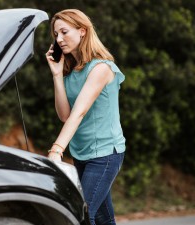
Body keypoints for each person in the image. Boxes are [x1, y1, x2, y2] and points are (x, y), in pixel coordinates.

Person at [45, 9, 126, 225]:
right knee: (101, 218)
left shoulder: (101, 68)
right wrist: (56, 75)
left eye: (64, 32)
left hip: (105, 155)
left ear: (82, 31)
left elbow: (79, 112)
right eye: (56, 34)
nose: (59, 39)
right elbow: (65, 115)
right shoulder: (71, 72)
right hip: (82, 153)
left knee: (78, 215)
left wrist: (56, 150)